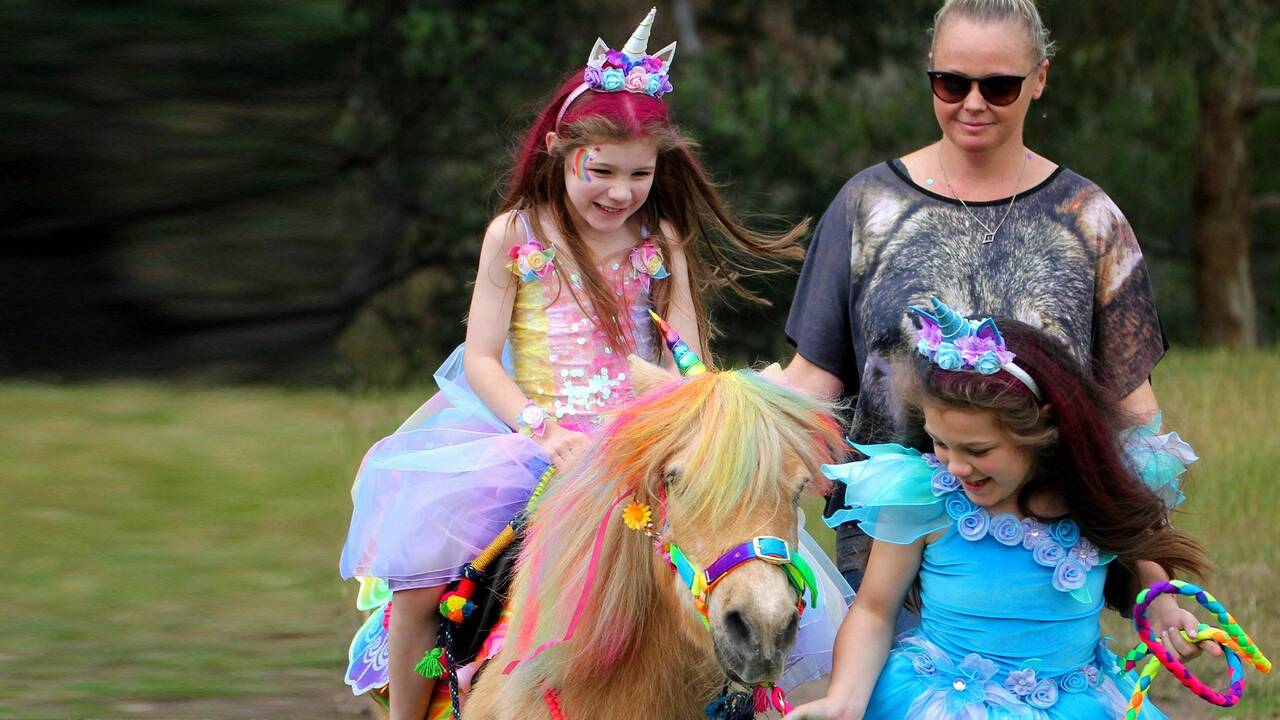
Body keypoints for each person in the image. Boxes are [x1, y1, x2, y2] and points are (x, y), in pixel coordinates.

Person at [338, 10, 814, 720]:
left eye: (640, 174)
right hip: (531, 443)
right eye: (602, 171)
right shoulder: (515, 235)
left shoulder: (662, 241)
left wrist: (711, 418)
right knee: (419, 588)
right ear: (560, 152)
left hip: (634, 446)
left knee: (723, 560)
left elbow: (685, 362)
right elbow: (480, 359)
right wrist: (543, 431)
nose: (619, 192)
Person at [779, 0, 1173, 591]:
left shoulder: (1091, 218)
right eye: (951, 82)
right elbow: (814, 382)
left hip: (1042, 556)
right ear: (931, 72)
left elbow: (1132, 414)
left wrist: (1156, 579)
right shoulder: (865, 205)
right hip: (889, 554)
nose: (972, 103)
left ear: (1040, 78)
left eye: (999, 86)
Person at [787, 299, 1214, 719]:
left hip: (1076, 701)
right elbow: (875, 611)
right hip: (938, 702)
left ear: (1042, 427)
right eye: (940, 442)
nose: (954, 465)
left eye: (978, 449)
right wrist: (843, 701)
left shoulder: (1090, 493)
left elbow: (1142, 562)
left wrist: (1162, 609)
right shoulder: (925, 498)